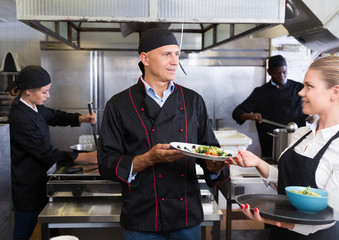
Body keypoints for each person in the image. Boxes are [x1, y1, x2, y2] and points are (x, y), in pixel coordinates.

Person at [97, 28, 229, 240]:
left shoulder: (193, 101)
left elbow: (210, 151)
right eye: (166, 54)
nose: (175, 61)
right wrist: (147, 159)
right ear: (145, 58)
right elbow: (106, 162)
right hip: (142, 216)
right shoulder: (119, 104)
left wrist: (214, 167)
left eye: (177, 54)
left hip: (185, 216)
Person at [228, 55, 339, 239]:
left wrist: (275, 221)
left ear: (335, 92)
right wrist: (258, 163)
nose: (300, 92)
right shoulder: (301, 134)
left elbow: (328, 216)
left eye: (309, 86)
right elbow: (291, 186)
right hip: (281, 234)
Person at [6, 65, 98, 240]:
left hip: (42, 179)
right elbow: (46, 153)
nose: (48, 96)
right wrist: (86, 157)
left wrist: (81, 118)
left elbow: (55, 116)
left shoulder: (34, 106)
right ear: (28, 91)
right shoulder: (20, 118)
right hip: (28, 188)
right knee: (23, 233)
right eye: (44, 92)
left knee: (51, 227)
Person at [232, 55, 307, 158]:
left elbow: (316, 106)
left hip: (298, 144)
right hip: (271, 147)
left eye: (284, 72)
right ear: (269, 72)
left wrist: (314, 117)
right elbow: (237, 113)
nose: (281, 77)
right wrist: (250, 116)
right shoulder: (260, 92)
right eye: (277, 73)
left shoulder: (299, 88)